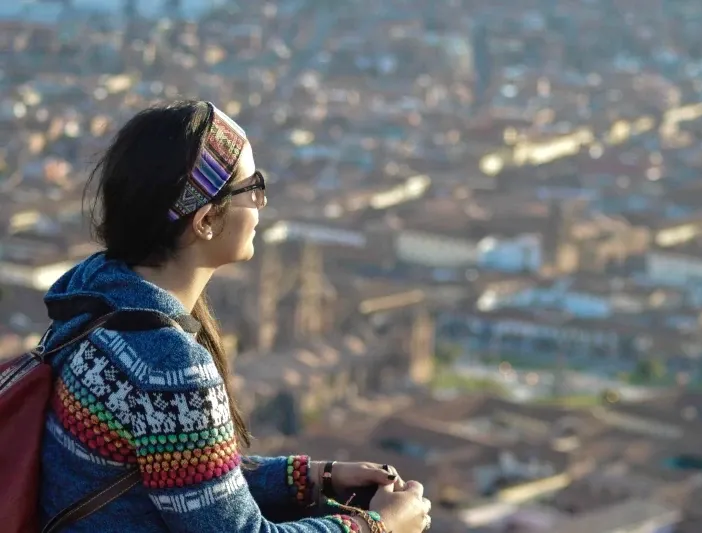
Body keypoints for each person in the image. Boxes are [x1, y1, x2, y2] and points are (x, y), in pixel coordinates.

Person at [37, 100, 432, 533]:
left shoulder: (93, 300)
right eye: (253, 187)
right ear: (206, 220)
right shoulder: (167, 366)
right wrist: (381, 526)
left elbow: (181, 472)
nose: (262, 202)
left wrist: (312, 478)